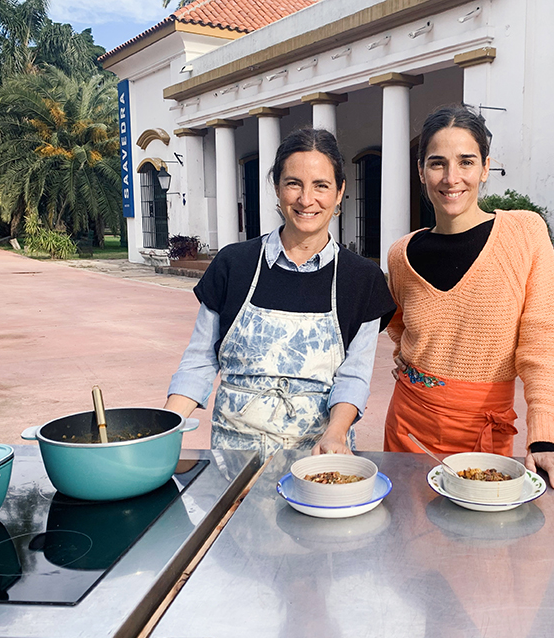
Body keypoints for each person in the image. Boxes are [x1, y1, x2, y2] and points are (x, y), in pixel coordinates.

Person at [384, 104, 554, 491]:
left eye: (465, 162)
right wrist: (416, 367)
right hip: (407, 427)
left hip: (483, 432)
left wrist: (546, 433)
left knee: (479, 546)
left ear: (485, 167)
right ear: (420, 170)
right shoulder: (401, 254)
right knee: (403, 540)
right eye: (437, 163)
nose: (451, 178)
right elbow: (400, 325)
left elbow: (546, 338)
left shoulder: (523, 234)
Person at [165, 128, 395, 458]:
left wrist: (336, 434)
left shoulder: (361, 279)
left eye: (321, 186)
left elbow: (353, 377)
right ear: (276, 188)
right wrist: (167, 427)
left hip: (319, 462)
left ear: (340, 191)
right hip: (234, 460)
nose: (306, 199)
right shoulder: (234, 264)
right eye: (293, 183)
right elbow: (200, 362)